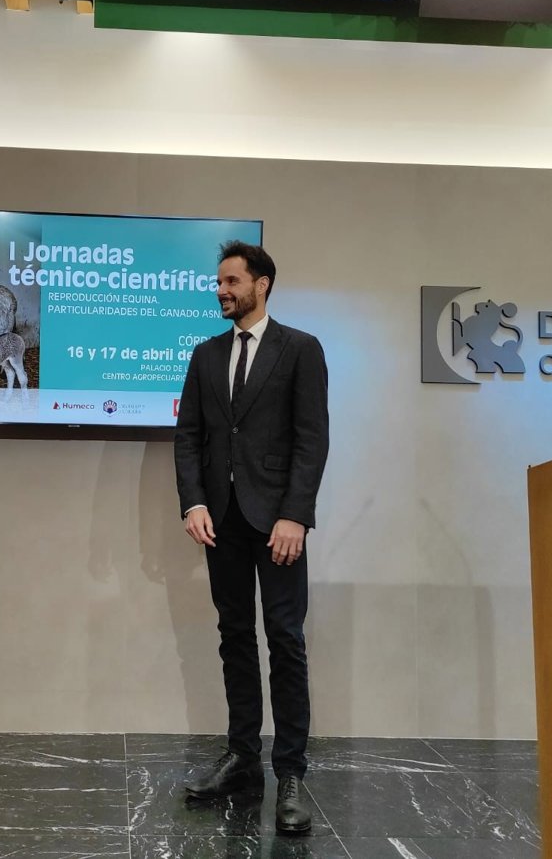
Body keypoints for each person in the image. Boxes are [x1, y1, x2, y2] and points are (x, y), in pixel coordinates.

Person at [174, 240, 329, 835]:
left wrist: (296, 515)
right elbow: (189, 437)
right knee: (234, 636)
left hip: (278, 523)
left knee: (285, 640)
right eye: (219, 282)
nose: (221, 290)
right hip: (222, 521)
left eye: (231, 281)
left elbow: (311, 439)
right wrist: (194, 502)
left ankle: (290, 774)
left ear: (261, 284)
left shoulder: (301, 349)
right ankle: (242, 758)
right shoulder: (205, 354)